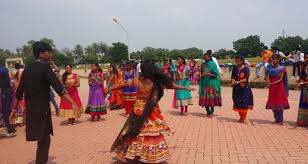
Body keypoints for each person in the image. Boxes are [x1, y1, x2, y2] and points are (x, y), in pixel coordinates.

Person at [108, 60, 193, 163]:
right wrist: (185, 87)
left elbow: (122, 85)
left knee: (136, 131)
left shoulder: (136, 80)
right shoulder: (155, 82)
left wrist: (108, 89)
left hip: (137, 110)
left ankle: (136, 154)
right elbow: (171, 85)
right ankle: (149, 155)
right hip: (150, 111)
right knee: (149, 133)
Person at [10, 41, 79, 164]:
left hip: (31, 111)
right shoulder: (45, 67)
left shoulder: (27, 69)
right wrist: (73, 103)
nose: (51, 55)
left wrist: (14, 110)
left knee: (41, 139)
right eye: (49, 52)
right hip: (43, 111)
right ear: (41, 54)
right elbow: (59, 88)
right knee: (44, 140)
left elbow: (18, 92)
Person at [265, 54, 290, 125]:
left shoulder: (282, 68)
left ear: (278, 60)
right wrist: (268, 82)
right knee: (272, 103)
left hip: (279, 87)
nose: (273, 60)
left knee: (279, 103)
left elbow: (281, 79)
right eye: (272, 59)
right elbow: (266, 76)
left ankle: (281, 120)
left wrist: (271, 84)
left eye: (274, 59)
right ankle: (276, 119)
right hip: (272, 88)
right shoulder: (269, 67)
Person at [231, 56, 254, 124]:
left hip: (244, 88)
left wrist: (238, 82)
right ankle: (241, 117)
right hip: (236, 88)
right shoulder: (235, 68)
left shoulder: (246, 69)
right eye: (236, 61)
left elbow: (246, 79)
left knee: (244, 102)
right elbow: (233, 77)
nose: (237, 63)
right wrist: (233, 81)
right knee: (237, 102)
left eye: (238, 61)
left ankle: (244, 118)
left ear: (242, 61)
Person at [199, 52, 222, 118]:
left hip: (212, 83)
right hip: (205, 83)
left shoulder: (213, 64)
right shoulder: (203, 64)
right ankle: (207, 111)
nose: (205, 58)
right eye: (204, 57)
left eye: (206, 57)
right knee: (205, 97)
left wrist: (209, 74)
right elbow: (201, 74)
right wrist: (202, 75)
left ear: (210, 57)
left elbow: (215, 75)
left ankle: (211, 111)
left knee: (211, 97)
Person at [0, 61, 16, 137]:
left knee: (4, 111)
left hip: (5, 92)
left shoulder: (2, 70)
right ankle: (11, 127)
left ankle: (9, 129)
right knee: (7, 110)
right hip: (7, 91)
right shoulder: (4, 69)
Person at [296, 53, 308, 126]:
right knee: (304, 103)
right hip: (305, 88)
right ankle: (303, 121)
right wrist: (299, 80)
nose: (306, 59)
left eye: (307, 58)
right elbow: (301, 75)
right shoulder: (303, 66)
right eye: (305, 58)